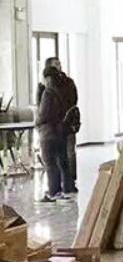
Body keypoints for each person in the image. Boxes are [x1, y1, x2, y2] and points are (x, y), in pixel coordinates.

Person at [36, 57, 79, 197]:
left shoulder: (50, 91)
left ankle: (56, 190)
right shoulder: (57, 89)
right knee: (63, 159)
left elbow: (43, 112)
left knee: (53, 162)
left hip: (51, 130)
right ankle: (67, 187)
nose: (59, 67)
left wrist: (37, 122)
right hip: (61, 128)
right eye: (56, 65)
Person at [35, 67, 70, 202]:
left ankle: (53, 192)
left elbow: (43, 114)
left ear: (48, 78)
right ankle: (58, 191)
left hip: (48, 133)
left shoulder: (48, 93)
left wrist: (37, 122)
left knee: (50, 163)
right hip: (59, 132)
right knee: (57, 163)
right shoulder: (60, 91)